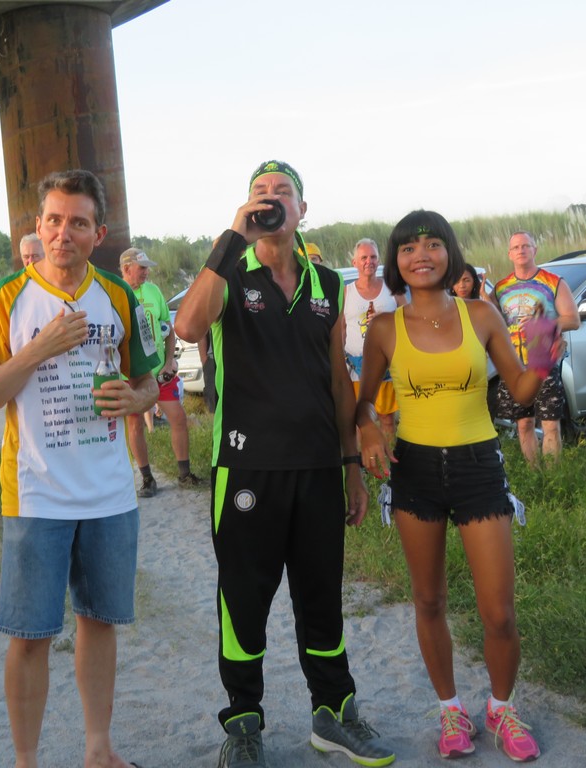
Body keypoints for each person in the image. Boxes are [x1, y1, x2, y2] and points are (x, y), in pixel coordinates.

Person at [174, 160, 395, 768]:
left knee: (322, 597)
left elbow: (337, 378)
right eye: (260, 191)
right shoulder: (229, 271)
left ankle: (334, 714)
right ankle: (244, 724)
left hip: (318, 467)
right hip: (247, 469)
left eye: (283, 192)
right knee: (244, 600)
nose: (270, 199)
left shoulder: (326, 282)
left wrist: (351, 464)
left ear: (302, 209)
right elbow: (188, 324)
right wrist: (232, 237)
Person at [0, 169, 158, 768]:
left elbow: (149, 381)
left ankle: (98, 750)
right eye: (53, 220)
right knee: (30, 637)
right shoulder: (6, 298)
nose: (62, 233)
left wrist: (135, 398)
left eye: (77, 222)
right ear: (38, 225)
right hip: (36, 495)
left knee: (100, 623)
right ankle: (27, 761)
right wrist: (39, 348)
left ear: (99, 233)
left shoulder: (119, 297)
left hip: (110, 494)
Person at [357, 210, 562, 763]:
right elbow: (362, 402)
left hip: (478, 468)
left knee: (499, 612)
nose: (420, 255)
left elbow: (520, 389)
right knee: (428, 600)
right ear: (397, 261)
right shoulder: (384, 328)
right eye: (408, 247)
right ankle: (450, 709)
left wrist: (545, 349)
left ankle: (501, 708)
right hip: (415, 471)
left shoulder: (482, 314)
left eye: (432, 244)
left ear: (450, 253)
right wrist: (368, 429)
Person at [118, 247, 203, 496]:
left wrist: (169, 362)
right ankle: (147, 479)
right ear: (126, 268)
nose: (147, 272)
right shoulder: (115, 294)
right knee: (135, 423)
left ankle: (184, 474)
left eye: (147, 268)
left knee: (178, 417)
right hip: (130, 375)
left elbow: (168, 329)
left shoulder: (153, 291)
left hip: (158, 371)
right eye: (142, 268)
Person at [492, 231, 580, 464]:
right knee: (523, 424)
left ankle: (553, 476)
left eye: (526, 246)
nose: (521, 250)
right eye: (516, 247)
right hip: (514, 365)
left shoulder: (554, 282)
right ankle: (534, 474)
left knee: (550, 424)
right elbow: (490, 322)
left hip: (543, 363)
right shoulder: (500, 288)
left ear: (535, 250)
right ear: (509, 254)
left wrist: (543, 324)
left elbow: (573, 319)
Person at [343, 238, 404, 444]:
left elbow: (408, 318)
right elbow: (340, 328)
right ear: (355, 263)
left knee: (386, 417)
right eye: (363, 258)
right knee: (359, 419)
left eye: (373, 257)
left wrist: (386, 319)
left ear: (378, 261)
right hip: (354, 364)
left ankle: (389, 458)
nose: (369, 261)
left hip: (386, 363)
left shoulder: (392, 288)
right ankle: (362, 459)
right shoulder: (346, 292)